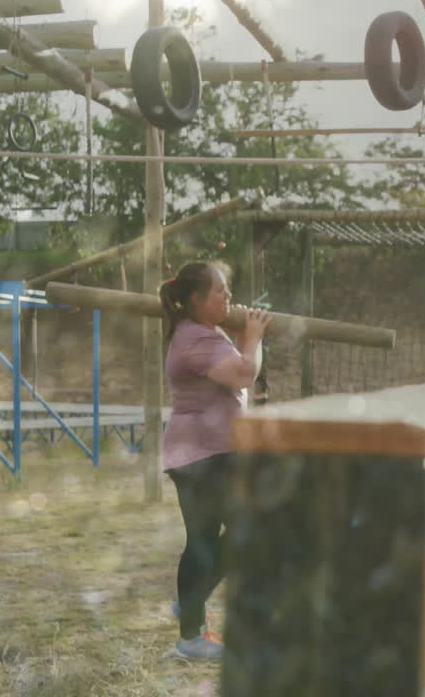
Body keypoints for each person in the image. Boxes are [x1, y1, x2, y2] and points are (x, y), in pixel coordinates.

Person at [158, 261, 272, 659]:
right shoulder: (194, 339)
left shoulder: (203, 332)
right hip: (203, 454)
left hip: (203, 452)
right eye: (219, 291)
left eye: (227, 290)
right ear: (195, 299)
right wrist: (253, 339)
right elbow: (243, 375)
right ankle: (191, 616)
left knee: (205, 542)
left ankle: (191, 635)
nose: (228, 297)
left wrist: (243, 337)